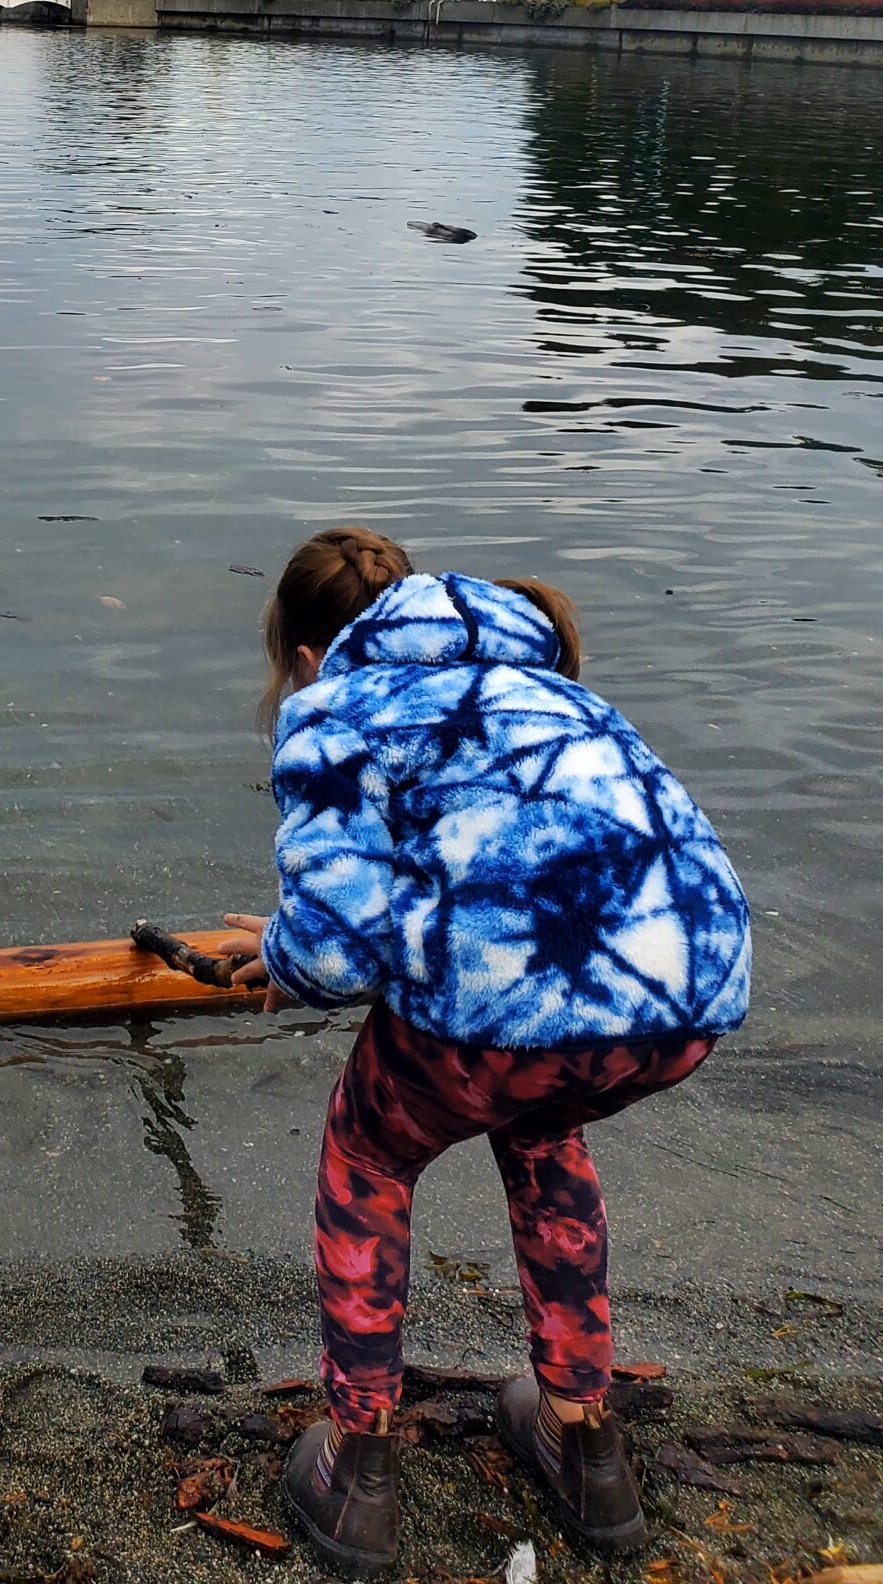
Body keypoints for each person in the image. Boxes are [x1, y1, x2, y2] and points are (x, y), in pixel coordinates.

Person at [223, 526, 750, 1574]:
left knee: (367, 1156)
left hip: (523, 1007)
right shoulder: (546, 687)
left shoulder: (334, 706)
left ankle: (358, 1465)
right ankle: (584, 1440)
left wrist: (282, 954)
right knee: (541, 1130)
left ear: (308, 658)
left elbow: (332, 956)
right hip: (692, 992)